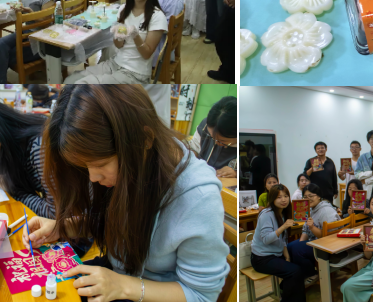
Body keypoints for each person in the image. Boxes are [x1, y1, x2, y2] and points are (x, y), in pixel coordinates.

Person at [22, 85, 230, 302]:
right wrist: (64, 226)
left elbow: (201, 294)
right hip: (120, 274)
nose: (93, 177)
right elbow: (116, 222)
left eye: (100, 164)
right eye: (85, 166)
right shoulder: (136, 163)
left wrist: (124, 286)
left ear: (144, 139)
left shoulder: (198, 198)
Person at [64, 0, 166, 84]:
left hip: (136, 74)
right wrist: (118, 36)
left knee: (84, 84)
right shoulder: (123, 10)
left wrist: (136, 36)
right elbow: (119, 46)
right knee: (71, 79)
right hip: (115, 64)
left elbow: (146, 54)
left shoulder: (157, 16)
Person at [250, 184, 305, 302]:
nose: (283, 200)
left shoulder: (283, 213)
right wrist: (283, 227)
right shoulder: (266, 214)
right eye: (279, 197)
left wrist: (287, 257)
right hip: (261, 258)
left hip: (275, 254)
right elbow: (266, 239)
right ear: (272, 199)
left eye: (286, 196)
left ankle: (285, 290)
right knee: (295, 271)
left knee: (299, 264)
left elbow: (283, 240)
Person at [288, 183, 341, 287]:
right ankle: (301, 275)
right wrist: (301, 243)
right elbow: (305, 230)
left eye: (311, 196)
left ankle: (312, 274)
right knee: (290, 247)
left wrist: (312, 227)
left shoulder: (326, 211)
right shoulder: (310, 209)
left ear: (319, 196)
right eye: (305, 197)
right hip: (314, 242)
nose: (308, 199)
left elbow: (329, 236)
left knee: (297, 250)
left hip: (325, 245)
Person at [190, 96, 237, 177]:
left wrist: (236, 172)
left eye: (222, 141)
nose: (215, 143)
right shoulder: (205, 126)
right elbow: (193, 149)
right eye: (211, 137)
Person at [207, 0, 234, 82]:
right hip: (230, 0)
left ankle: (229, 72)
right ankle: (227, 70)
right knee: (221, 36)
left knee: (228, 38)